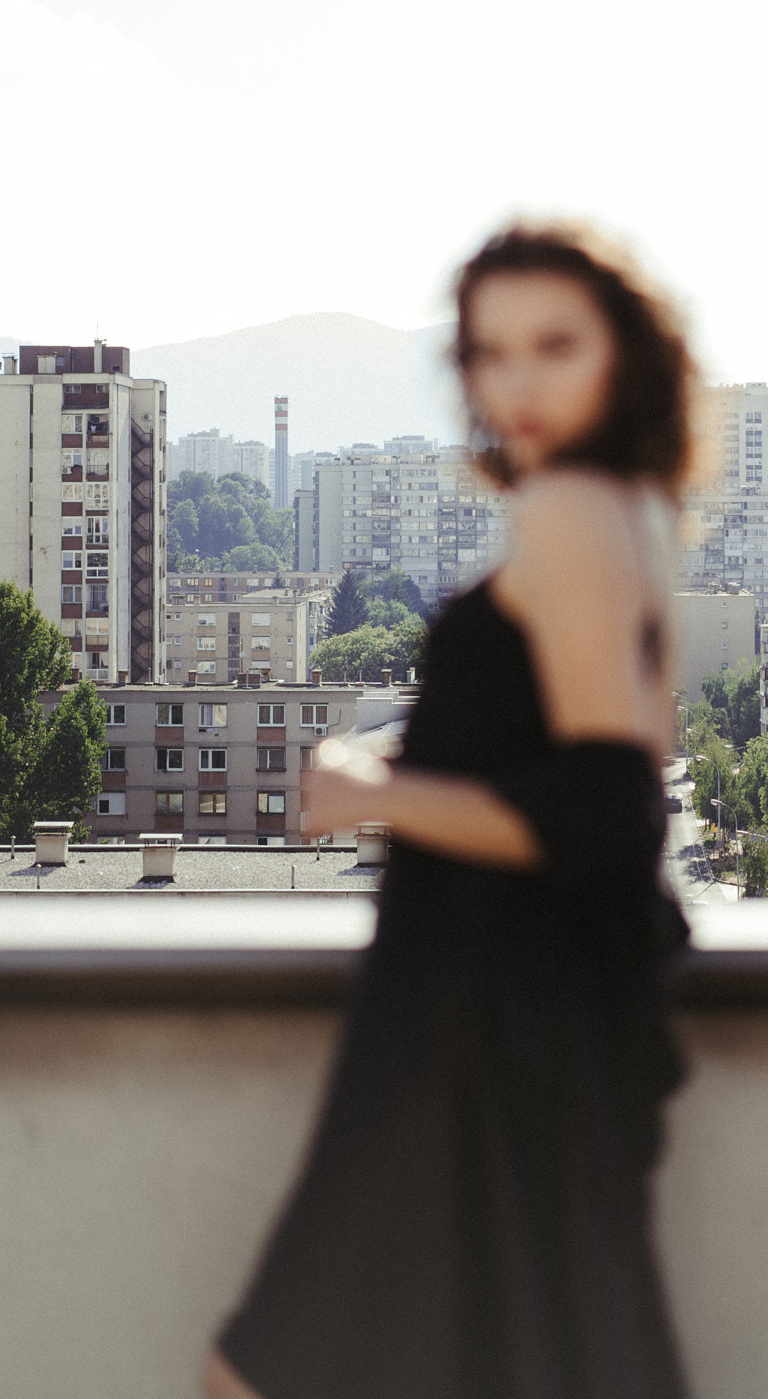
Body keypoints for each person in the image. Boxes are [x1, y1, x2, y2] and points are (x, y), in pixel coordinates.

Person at [204, 223, 695, 1399]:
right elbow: (603, 741)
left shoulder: (571, 512)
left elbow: (607, 806)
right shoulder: (632, 507)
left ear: (624, 354)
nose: (514, 384)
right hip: (533, 1015)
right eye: (488, 353)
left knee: (265, 1372)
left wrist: (371, 790)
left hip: (477, 1024)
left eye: (554, 346)